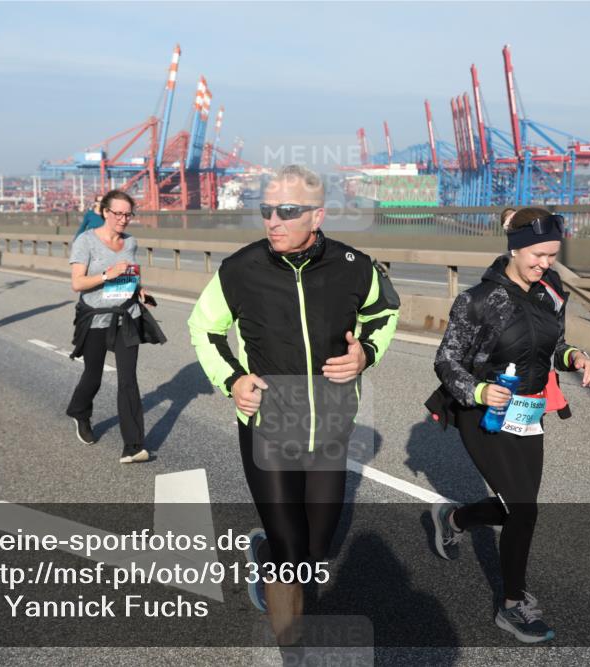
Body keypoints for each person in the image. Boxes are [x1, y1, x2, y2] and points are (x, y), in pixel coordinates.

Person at [188, 165, 399, 644]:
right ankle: (292, 642)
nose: (273, 221)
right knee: (291, 548)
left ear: (317, 215)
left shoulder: (354, 266)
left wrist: (365, 352)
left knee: (317, 547)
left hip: (329, 427)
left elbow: (384, 312)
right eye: (266, 210)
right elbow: (204, 328)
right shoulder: (241, 269)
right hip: (267, 427)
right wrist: (232, 379)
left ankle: (264, 556)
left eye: (286, 211)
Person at [428, 206, 590, 644]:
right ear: (515, 247)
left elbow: (551, 345)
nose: (546, 264)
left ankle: (457, 519)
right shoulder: (479, 300)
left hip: (529, 411)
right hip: (482, 413)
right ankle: (512, 605)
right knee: (524, 509)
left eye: (552, 256)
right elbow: (446, 361)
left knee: (515, 507)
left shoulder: (552, 291)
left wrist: (575, 357)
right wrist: (481, 392)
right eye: (538, 255)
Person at [66, 189, 164, 459]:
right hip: (95, 318)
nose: (123, 219)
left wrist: (140, 290)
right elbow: (77, 283)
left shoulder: (131, 242)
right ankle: (79, 411)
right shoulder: (86, 242)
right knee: (93, 376)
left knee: (128, 381)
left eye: (128, 214)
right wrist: (109, 274)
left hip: (126, 316)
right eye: (118, 213)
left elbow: (131, 272)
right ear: (105, 213)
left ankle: (133, 446)